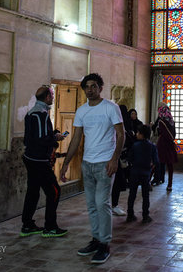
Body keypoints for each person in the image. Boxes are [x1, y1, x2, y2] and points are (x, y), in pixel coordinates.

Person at [60, 73, 125, 264]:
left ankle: (105, 244)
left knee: (101, 203)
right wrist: (65, 164)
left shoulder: (110, 108)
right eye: (87, 86)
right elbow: (76, 138)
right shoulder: (81, 111)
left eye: (94, 86)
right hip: (87, 164)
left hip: (105, 163)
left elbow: (121, 135)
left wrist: (115, 159)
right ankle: (96, 239)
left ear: (100, 88)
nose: (90, 89)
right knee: (91, 205)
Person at [20, 85, 68, 238]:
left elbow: (34, 136)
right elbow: (41, 139)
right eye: (52, 95)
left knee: (33, 192)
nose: (53, 98)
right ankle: (50, 227)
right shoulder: (41, 114)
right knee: (54, 191)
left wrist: (52, 134)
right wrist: (55, 138)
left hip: (31, 158)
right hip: (39, 160)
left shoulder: (32, 113)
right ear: (47, 97)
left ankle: (27, 225)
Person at [126, 124, 159, 223]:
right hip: (146, 174)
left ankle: (130, 215)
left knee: (132, 194)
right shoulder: (152, 146)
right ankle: (145, 216)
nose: (136, 134)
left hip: (134, 172)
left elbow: (129, 158)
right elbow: (156, 161)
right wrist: (150, 168)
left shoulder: (135, 145)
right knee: (146, 195)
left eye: (138, 132)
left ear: (141, 134)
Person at [110, 105, 133, 217]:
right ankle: (113, 206)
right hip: (115, 158)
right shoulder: (121, 124)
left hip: (114, 157)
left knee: (115, 183)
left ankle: (112, 205)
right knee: (116, 183)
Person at [152, 104, 178, 191]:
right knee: (170, 165)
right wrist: (172, 141)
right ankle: (169, 184)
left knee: (157, 162)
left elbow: (162, 133)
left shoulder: (161, 121)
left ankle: (148, 181)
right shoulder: (172, 121)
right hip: (170, 144)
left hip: (162, 143)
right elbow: (174, 134)